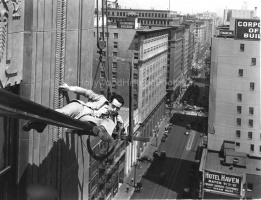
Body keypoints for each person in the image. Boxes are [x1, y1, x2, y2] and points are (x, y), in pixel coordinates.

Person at [23, 83, 124, 145]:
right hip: (81, 107)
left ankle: (101, 131)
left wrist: (121, 126)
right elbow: (86, 92)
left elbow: (120, 124)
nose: (114, 109)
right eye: (113, 106)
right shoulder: (101, 99)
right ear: (110, 102)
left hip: (88, 120)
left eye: (117, 108)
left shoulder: (114, 117)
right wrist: (70, 88)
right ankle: (39, 123)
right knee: (61, 112)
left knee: (108, 122)